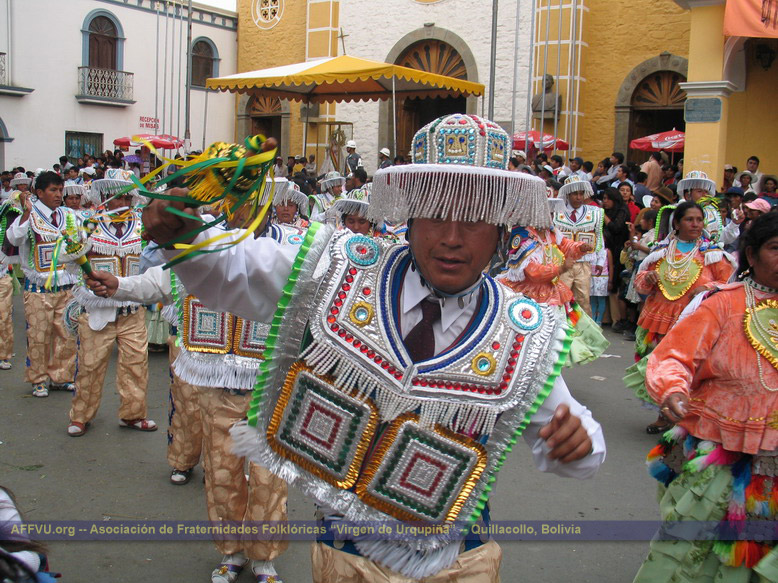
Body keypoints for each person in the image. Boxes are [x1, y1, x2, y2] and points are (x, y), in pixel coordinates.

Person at [141, 113, 605, 582]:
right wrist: (185, 237)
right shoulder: (339, 268)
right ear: (410, 219)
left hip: (460, 564)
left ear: (502, 231)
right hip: (348, 562)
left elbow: (573, 438)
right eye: (436, 215)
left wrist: (578, 446)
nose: (451, 238)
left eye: (474, 220)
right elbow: (234, 271)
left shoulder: (520, 330)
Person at [89, 179, 298, 582]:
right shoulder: (200, 248)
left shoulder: (291, 250)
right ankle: (231, 552)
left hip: (271, 387)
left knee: (270, 481)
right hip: (215, 384)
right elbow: (159, 284)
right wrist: (121, 286)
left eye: (246, 203)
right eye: (229, 204)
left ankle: (265, 557)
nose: (237, 210)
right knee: (222, 474)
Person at [632, 211, 778, 582]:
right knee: (689, 555)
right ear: (751, 254)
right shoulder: (723, 304)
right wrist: (673, 391)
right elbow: (672, 358)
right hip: (720, 451)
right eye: (776, 249)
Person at [624, 201, 736, 434]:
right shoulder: (662, 251)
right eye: (689, 219)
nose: (695, 224)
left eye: (699, 219)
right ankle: (665, 415)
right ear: (677, 222)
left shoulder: (713, 254)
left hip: (695, 321)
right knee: (663, 366)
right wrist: (649, 277)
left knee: (693, 369)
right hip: (659, 317)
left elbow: (730, 286)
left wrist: (707, 287)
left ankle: (690, 417)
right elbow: (640, 283)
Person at [66, 176, 156, 437]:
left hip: (132, 311)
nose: (124, 203)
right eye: (119, 197)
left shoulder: (142, 226)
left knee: (137, 363)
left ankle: (133, 414)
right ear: (106, 198)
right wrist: (87, 280)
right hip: (98, 310)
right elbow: (71, 262)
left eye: (128, 198)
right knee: (90, 365)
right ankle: (81, 415)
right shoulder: (89, 225)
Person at [498, 190, 608, 366]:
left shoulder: (551, 232)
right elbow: (532, 273)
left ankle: (545, 367)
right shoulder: (523, 235)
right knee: (528, 336)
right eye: (546, 214)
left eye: (551, 214)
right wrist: (560, 268)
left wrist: (581, 247)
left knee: (554, 336)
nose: (550, 217)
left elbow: (566, 246)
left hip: (550, 290)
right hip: (528, 293)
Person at [6, 172, 80, 397]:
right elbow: (14, 238)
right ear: (39, 193)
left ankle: (61, 377)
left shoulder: (68, 214)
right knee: (39, 335)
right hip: (38, 289)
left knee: (67, 334)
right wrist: (27, 211)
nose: (59, 195)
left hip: (66, 287)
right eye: (53, 190)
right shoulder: (30, 214)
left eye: (60, 190)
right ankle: (38, 378)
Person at [553, 176, 605, 316]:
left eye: (581, 193)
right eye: (575, 194)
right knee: (560, 299)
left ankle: (583, 334)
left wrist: (600, 261)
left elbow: (599, 238)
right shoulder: (556, 212)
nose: (578, 197)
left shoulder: (595, 213)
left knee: (583, 300)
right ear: (568, 195)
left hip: (584, 264)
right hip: (562, 263)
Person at [601, 188, 631, 331]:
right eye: (603, 199)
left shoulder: (622, 211)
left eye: (607, 198)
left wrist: (603, 216)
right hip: (606, 249)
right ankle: (606, 317)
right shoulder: (606, 212)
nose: (604, 201)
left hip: (618, 250)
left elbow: (615, 228)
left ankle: (617, 318)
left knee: (615, 284)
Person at [677, 170, 723, 242]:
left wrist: (734, 224)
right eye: (699, 191)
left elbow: (723, 236)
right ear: (688, 195)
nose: (704, 195)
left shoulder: (713, 212)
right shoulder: (678, 211)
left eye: (706, 191)